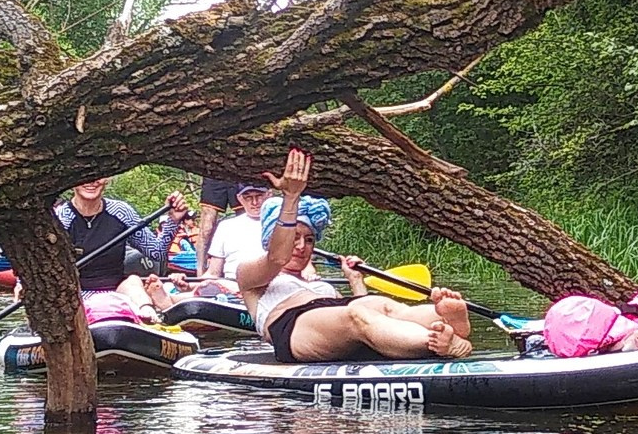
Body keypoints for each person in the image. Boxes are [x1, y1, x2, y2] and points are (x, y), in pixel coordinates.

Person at [238, 148, 474, 363]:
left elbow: (354, 322)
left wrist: (355, 281)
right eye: (294, 238)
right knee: (357, 313)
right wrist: (291, 197)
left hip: (337, 313)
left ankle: (447, 320)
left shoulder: (320, 285)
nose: (301, 246)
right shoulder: (251, 276)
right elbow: (277, 258)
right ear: (273, 239)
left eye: (309, 239)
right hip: (292, 327)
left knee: (382, 305)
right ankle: (436, 342)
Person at [58, 179, 187, 317]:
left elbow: (157, 252)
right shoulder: (60, 218)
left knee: (133, 280)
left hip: (118, 291)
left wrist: (173, 220)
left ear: (107, 179)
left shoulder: (121, 212)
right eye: (84, 177)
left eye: (99, 176)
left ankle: (148, 313)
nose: (92, 182)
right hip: (78, 295)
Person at [201, 181, 270, 278]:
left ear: (269, 195)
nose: (254, 202)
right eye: (248, 197)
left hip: (270, 283)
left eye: (259, 196)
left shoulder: (279, 224)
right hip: (231, 283)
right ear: (240, 198)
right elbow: (213, 273)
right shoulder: (225, 226)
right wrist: (191, 286)